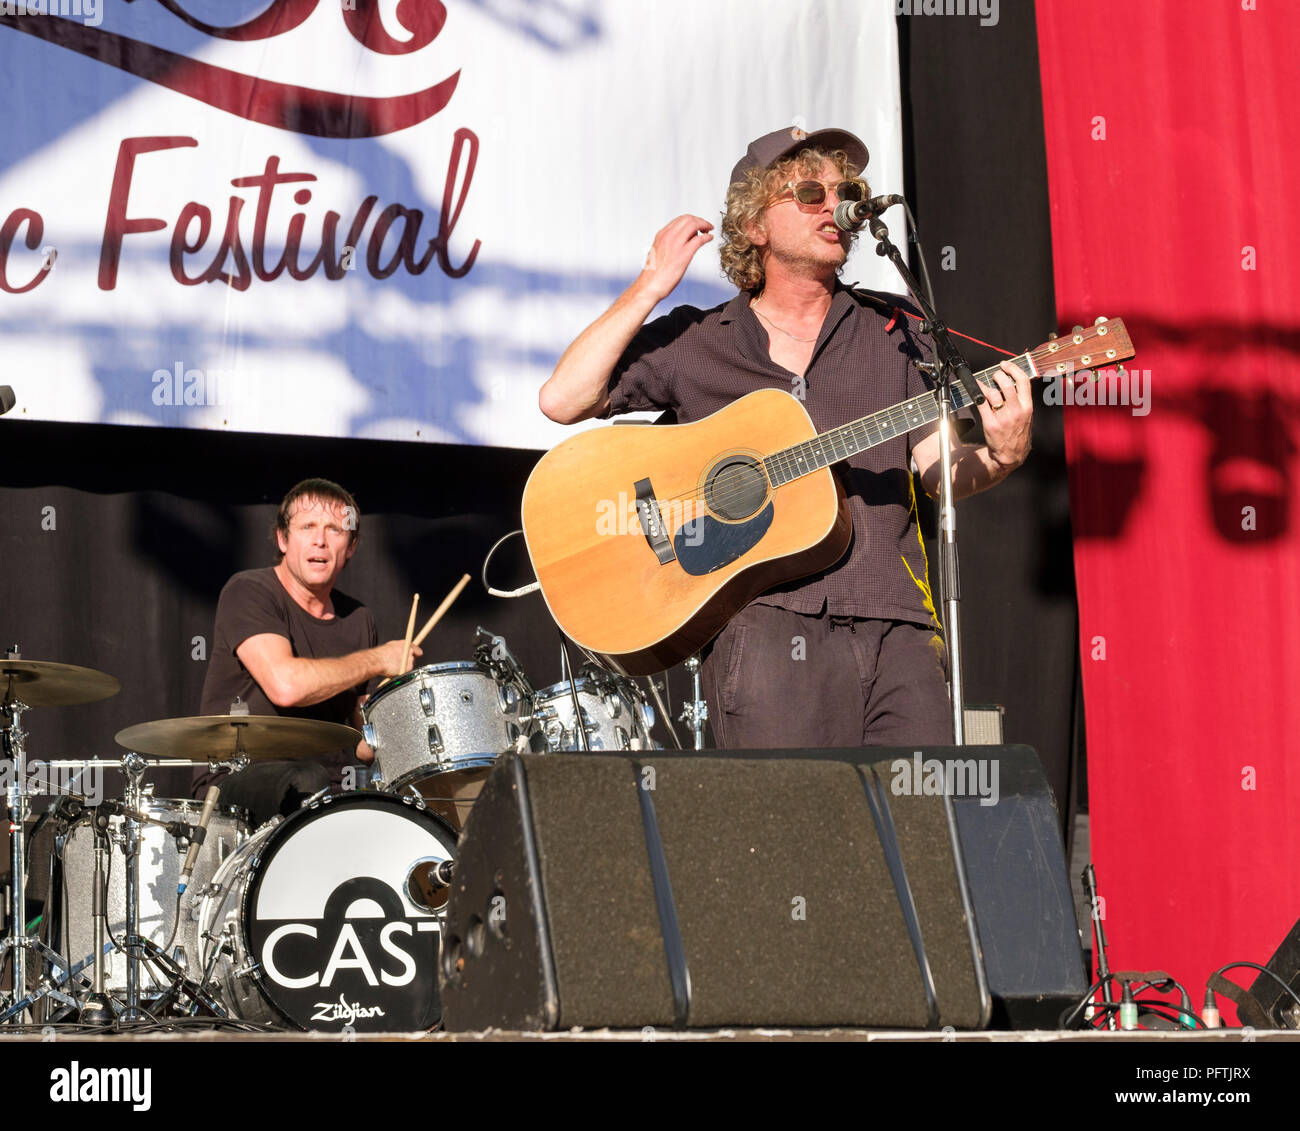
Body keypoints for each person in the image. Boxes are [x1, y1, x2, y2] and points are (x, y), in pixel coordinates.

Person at [538, 126, 1033, 749]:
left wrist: (1002, 455)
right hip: (767, 630)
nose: (834, 205)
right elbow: (563, 399)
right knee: (791, 839)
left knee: (922, 834)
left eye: (845, 190)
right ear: (755, 227)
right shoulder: (700, 340)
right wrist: (650, 285)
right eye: (808, 192)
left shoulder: (896, 328)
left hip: (897, 625)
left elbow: (938, 469)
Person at [193, 478, 419, 824]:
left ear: (352, 545)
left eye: (334, 529)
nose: (320, 540)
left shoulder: (359, 619)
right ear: (283, 538)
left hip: (329, 789)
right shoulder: (249, 591)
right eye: (307, 526)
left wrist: (392, 694)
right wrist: (377, 659)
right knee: (306, 780)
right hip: (239, 782)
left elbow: (363, 747)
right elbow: (286, 687)